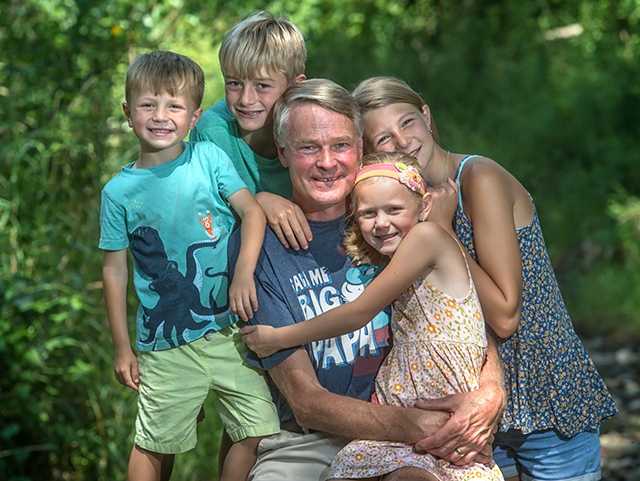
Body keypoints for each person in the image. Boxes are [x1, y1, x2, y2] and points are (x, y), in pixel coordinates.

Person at [231, 78, 505, 481]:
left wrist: (490, 390)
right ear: (283, 153)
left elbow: (462, 311)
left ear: (361, 148)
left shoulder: (394, 218)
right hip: (313, 440)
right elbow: (306, 402)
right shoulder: (262, 243)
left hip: (419, 431)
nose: (327, 162)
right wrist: (421, 426)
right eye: (309, 148)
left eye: (340, 145)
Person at [352, 76, 618, 481]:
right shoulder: (399, 205)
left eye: (407, 123)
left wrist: (443, 233)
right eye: (383, 139)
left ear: (426, 114)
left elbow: (506, 315)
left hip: (545, 398)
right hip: (473, 411)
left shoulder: (479, 178)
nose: (403, 141)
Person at [99, 50, 278, 481]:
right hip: (165, 345)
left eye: (174, 106)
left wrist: (242, 274)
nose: (161, 116)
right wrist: (123, 347)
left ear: (194, 116)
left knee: (259, 428)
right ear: (128, 112)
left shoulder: (208, 159)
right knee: (156, 443)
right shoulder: (119, 192)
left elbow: (252, 213)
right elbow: (114, 270)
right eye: (148, 105)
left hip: (229, 331)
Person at [190, 11, 313, 251]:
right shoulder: (213, 133)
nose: (246, 99)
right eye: (234, 83)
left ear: (296, 86)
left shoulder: (314, 129)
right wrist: (257, 203)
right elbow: (203, 219)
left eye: (262, 85)